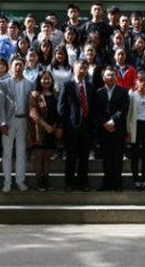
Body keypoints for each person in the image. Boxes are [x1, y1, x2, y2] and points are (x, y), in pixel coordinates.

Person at [0, 57, 35, 192]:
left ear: (24, 67)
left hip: (23, 120)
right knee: (7, 153)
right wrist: (2, 123)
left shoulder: (30, 84)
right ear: (11, 67)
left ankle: (20, 180)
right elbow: (0, 105)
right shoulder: (4, 83)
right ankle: (7, 181)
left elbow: (32, 105)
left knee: (21, 152)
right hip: (9, 121)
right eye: (15, 65)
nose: (18, 67)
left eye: (20, 65)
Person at [58, 59, 95, 191]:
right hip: (71, 126)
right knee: (71, 156)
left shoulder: (90, 86)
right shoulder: (67, 85)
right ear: (74, 68)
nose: (82, 71)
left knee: (84, 156)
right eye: (80, 68)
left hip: (86, 126)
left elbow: (93, 106)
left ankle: (83, 182)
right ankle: (69, 183)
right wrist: (62, 125)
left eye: (85, 68)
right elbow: (61, 107)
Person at [95, 66, 130, 192]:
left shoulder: (123, 91)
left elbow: (124, 109)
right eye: (108, 75)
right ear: (103, 77)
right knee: (106, 157)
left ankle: (117, 183)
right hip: (104, 130)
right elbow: (97, 110)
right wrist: (105, 123)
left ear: (116, 77)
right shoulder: (99, 92)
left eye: (112, 75)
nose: (110, 77)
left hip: (118, 129)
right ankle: (107, 182)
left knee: (117, 157)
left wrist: (113, 121)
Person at [28, 70, 59, 191]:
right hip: (39, 130)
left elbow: (59, 110)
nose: (46, 81)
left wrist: (55, 126)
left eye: (48, 78)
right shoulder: (35, 95)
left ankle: (46, 180)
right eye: (43, 78)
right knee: (39, 157)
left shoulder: (55, 93)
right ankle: (39, 182)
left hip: (52, 130)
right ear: (39, 81)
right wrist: (46, 126)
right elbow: (33, 113)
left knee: (47, 157)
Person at [127, 72, 145, 191]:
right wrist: (128, 130)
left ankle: (144, 179)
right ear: (136, 82)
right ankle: (136, 180)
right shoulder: (132, 95)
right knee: (135, 154)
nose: (142, 83)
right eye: (140, 80)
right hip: (135, 125)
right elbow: (128, 114)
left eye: (144, 80)